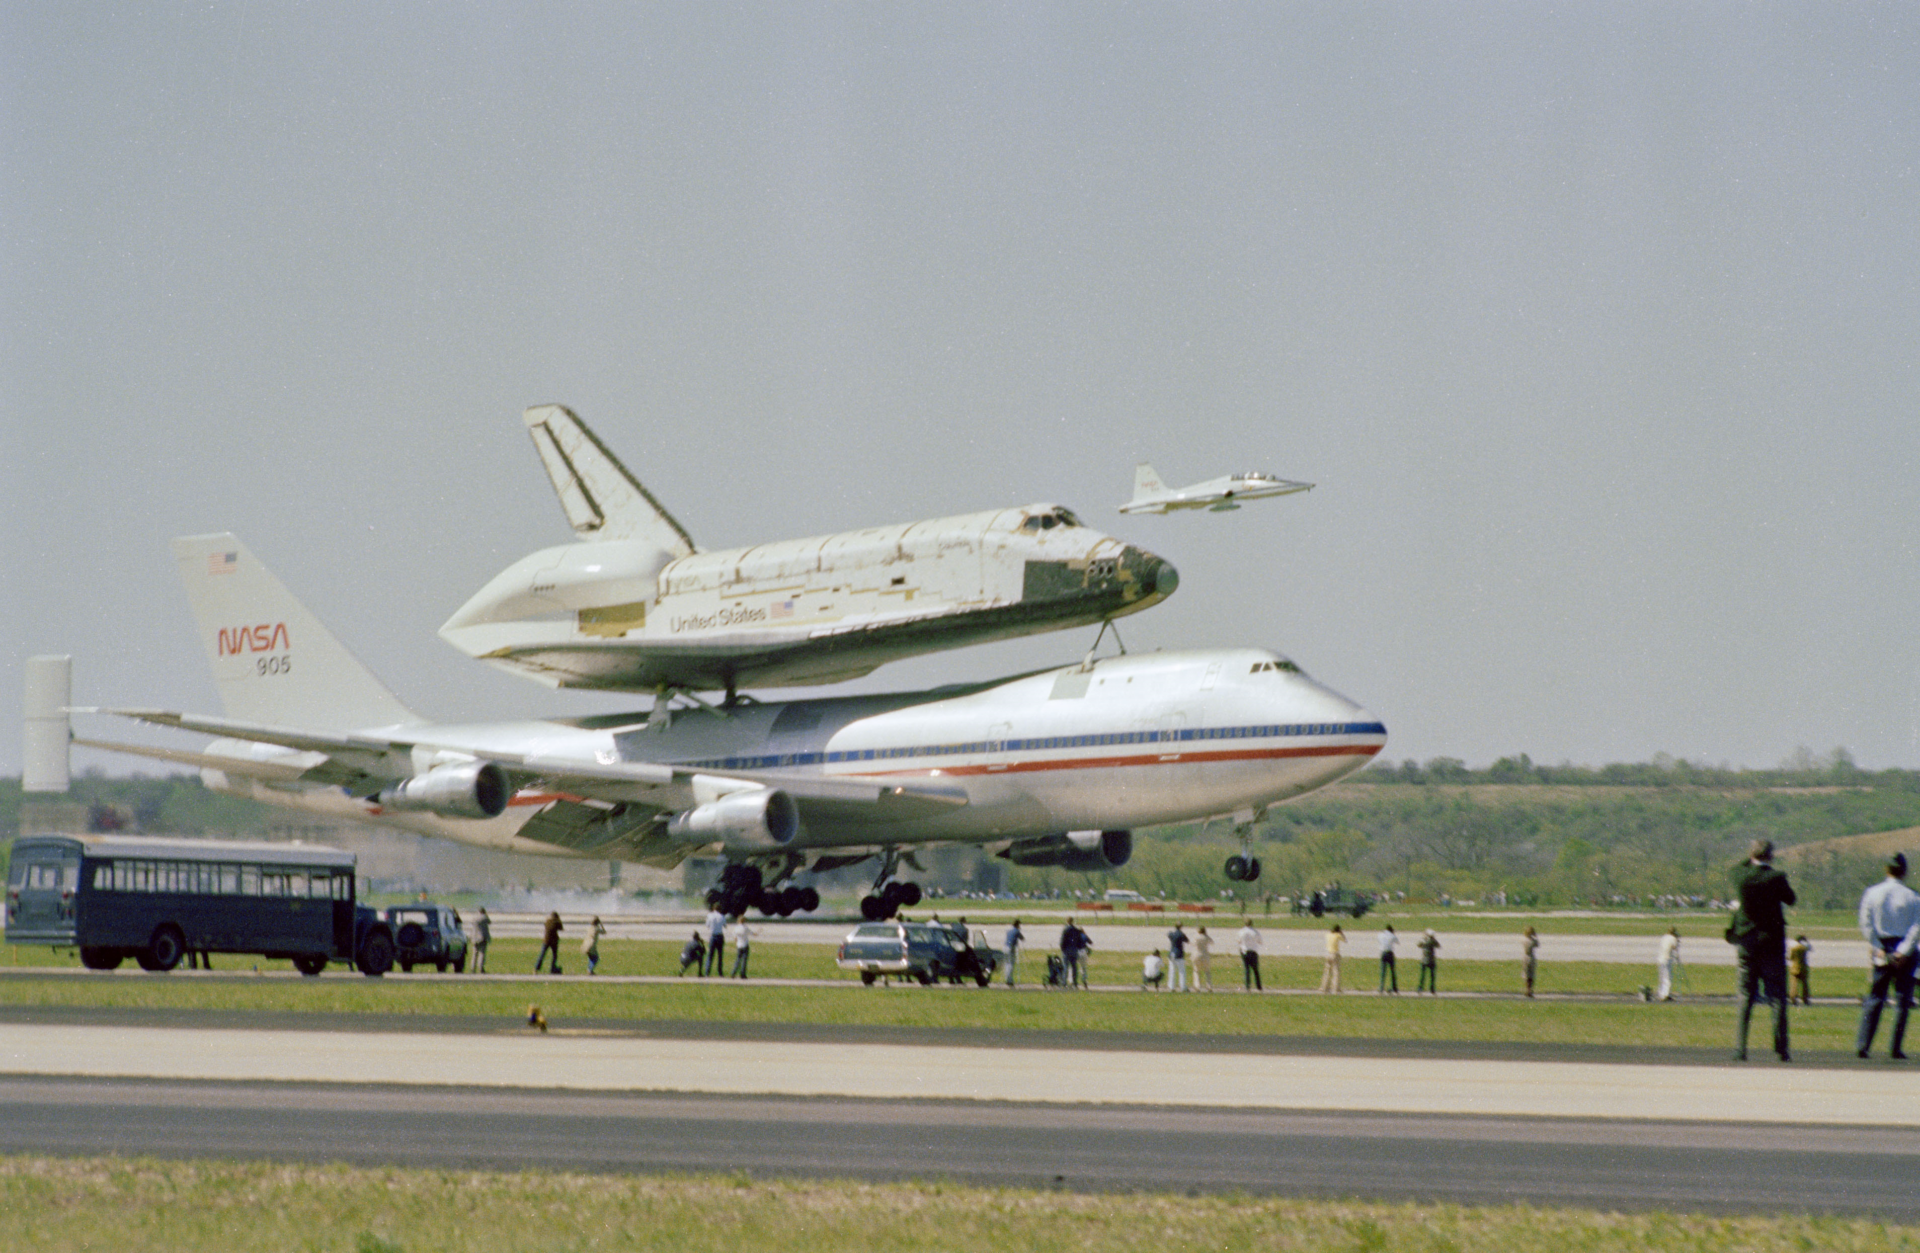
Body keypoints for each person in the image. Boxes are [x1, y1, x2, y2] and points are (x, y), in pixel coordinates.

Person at [1728, 838, 1796, 1062]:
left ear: (1751, 855)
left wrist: (1752, 858)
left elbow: (1738, 867)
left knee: (1746, 995)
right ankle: (1781, 1048)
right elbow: (1791, 899)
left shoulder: (1740, 876)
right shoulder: (1776, 878)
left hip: (1747, 943)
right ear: (1770, 855)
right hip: (1771, 943)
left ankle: (1740, 1048)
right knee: (1777, 997)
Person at [1855, 852, 1920, 1060]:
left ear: (1886, 869)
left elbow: (1865, 923)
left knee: (1875, 997)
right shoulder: (1913, 896)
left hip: (1881, 945)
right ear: (1904, 871)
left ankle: (1863, 1045)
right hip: (1905, 948)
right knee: (1902, 1000)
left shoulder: (1872, 893)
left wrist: (1877, 946)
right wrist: (1903, 951)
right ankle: (1895, 1047)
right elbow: (1916, 927)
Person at [1656, 928, 1681, 1001]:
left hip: (1660, 959)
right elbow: (1675, 948)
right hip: (1667, 959)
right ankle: (1665, 995)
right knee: (1667, 978)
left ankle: (1661, 994)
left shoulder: (1664, 937)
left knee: (1661, 977)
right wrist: (1677, 943)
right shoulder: (1673, 938)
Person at [1237, 918, 1262, 991]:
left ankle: (1248, 986)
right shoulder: (1255, 932)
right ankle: (1259, 986)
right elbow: (1260, 941)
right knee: (1255, 970)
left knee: (1247, 969)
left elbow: (1239, 941)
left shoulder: (1241, 931)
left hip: (1244, 951)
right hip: (1253, 952)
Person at [1788, 934, 1813, 1005]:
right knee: (1805, 985)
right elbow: (1811, 948)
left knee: (1794, 984)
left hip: (1794, 968)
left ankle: (1793, 998)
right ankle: (1805, 999)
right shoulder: (1804, 948)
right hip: (1803, 968)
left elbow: (1790, 957)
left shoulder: (1793, 948)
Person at [704, 904, 727, 977]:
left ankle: (707, 972)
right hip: (720, 936)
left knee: (710, 955)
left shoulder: (709, 916)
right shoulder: (722, 916)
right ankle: (720, 972)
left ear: (713, 908)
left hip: (713, 936)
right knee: (720, 956)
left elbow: (707, 925)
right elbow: (725, 926)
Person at [1319, 924, 1344, 993]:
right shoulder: (1337, 935)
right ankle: (1335, 988)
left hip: (1328, 954)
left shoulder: (1328, 935)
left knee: (1327, 971)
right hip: (1334, 954)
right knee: (1336, 972)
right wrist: (1341, 933)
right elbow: (1345, 940)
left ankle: (1324, 987)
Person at [1416, 928, 1440, 994]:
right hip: (1431, 960)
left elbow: (1418, 945)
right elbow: (1438, 946)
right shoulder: (1433, 941)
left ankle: (1420, 988)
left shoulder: (1424, 940)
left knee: (1422, 976)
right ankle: (1432, 989)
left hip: (1424, 960)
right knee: (1432, 977)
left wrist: (1423, 938)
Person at [1167, 924, 1190, 992]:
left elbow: (1169, 935)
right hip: (1179, 954)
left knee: (1172, 971)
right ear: (1181, 927)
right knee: (1181, 971)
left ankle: (1171, 987)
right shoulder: (1181, 934)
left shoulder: (1171, 934)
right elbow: (1187, 940)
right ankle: (1183, 987)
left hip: (1172, 953)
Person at [1377, 924, 1399, 994]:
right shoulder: (1392, 936)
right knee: (1392, 971)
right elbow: (1397, 942)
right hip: (1390, 953)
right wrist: (1393, 934)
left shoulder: (1380, 935)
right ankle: (1394, 987)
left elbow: (1379, 941)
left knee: (1383, 971)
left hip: (1383, 953)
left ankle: (1381, 987)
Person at [729, 914, 752, 979]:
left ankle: (733, 973)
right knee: (744, 961)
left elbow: (735, 938)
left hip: (739, 945)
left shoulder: (736, 928)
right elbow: (752, 933)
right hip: (745, 945)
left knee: (738, 960)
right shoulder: (745, 928)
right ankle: (743, 974)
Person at [1003, 919, 1025, 987]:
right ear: (1018, 925)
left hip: (1005, 947)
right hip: (1011, 948)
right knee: (1011, 964)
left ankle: (1007, 978)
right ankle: (1009, 980)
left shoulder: (1009, 931)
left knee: (1007, 963)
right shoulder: (1017, 931)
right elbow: (1022, 938)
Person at [1194, 926, 1214, 991]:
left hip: (1197, 954)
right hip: (1205, 955)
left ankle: (1197, 986)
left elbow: (1193, 944)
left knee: (1196, 971)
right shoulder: (1206, 937)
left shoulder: (1196, 937)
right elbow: (1212, 942)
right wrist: (1206, 935)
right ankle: (1209, 986)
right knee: (1207, 971)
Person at [472, 907, 491, 974]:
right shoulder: (484, 917)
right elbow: (489, 922)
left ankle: (473, 968)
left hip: (475, 937)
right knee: (482, 953)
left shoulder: (474, 918)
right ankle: (480, 968)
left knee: (475, 954)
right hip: (482, 937)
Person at [1522, 926, 1539, 998]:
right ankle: (1530, 990)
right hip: (1531, 957)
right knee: (1531, 975)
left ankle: (1527, 990)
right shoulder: (1533, 941)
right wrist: (1535, 936)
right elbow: (1538, 944)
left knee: (1526, 974)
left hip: (1525, 957)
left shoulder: (1524, 940)